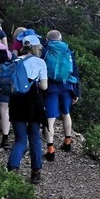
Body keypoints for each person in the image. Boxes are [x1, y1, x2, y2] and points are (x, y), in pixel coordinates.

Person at [7, 34, 48, 184]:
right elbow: (44, 86)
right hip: (33, 102)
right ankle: (36, 172)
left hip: (16, 101)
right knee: (35, 137)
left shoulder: (16, 61)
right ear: (36, 47)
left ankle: (13, 169)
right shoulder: (40, 63)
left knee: (20, 138)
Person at [42, 30, 80, 160]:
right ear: (60, 39)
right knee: (66, 113)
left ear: (47, 39)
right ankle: (67, 141)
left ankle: (50, 149)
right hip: (67, 86)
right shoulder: (67, 50)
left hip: (50, 87)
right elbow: (74, 71)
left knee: (50, 119)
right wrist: (76, 92)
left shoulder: (45, 49)